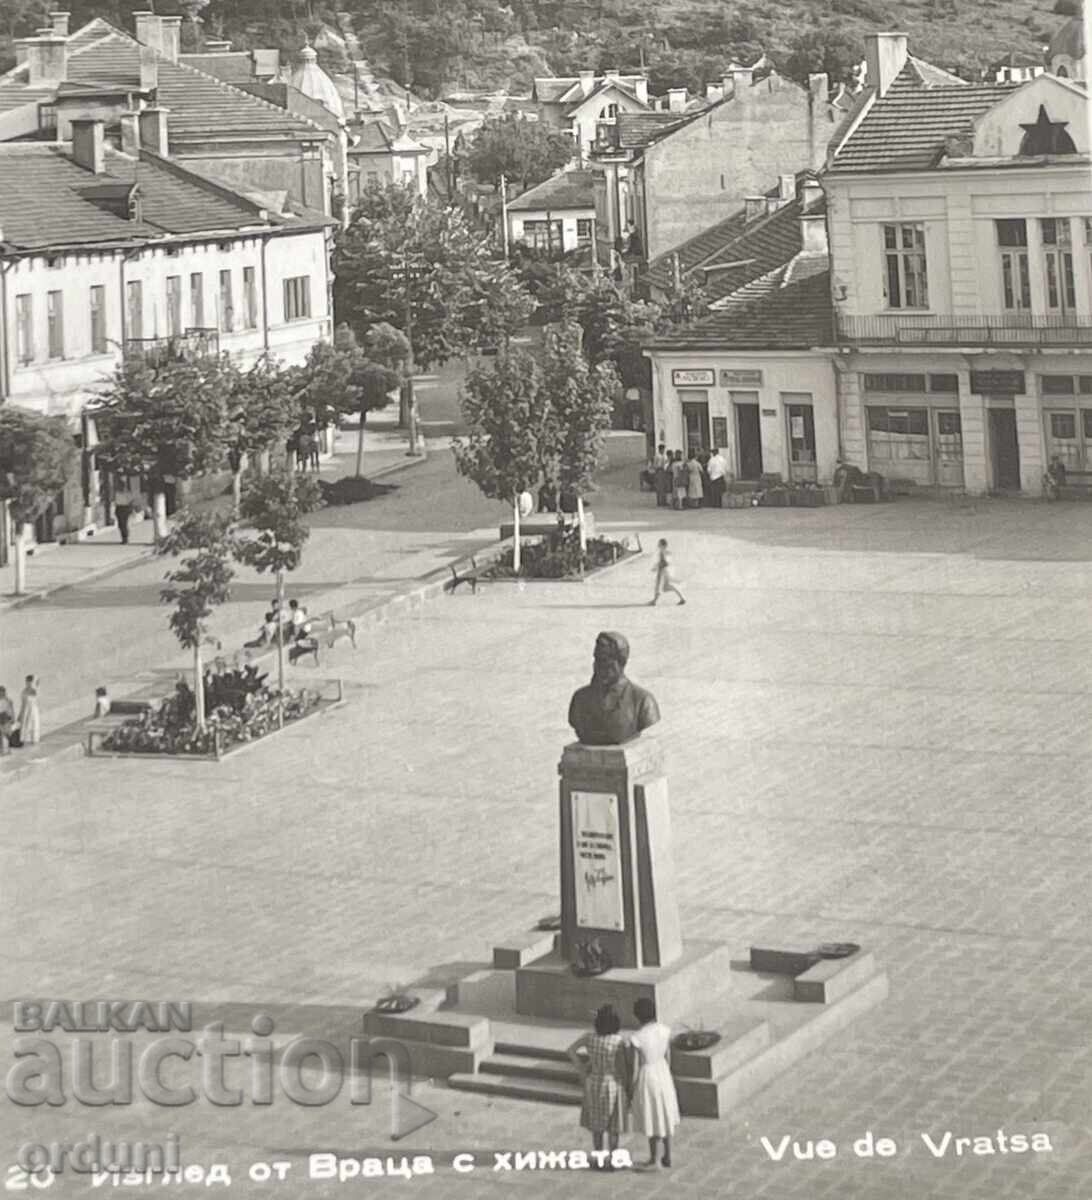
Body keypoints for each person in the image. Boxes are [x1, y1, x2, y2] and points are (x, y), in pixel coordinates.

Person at [568, 631, 661, 746]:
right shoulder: (580, 699)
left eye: (604, 660)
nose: (597, 666)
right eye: (596, 659)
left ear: (621, 662)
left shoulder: (643, 701)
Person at [566, 1005, 630, 1167]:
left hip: (594, 1082)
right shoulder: (618, 1041)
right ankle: (613, 1159)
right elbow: (622, 1066)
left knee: (597, 1125)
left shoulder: (589, 1038)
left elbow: (571, 1050)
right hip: (613, 1083)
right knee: (613, 1125)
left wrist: (582, 1068)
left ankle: (599, 1158)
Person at [629, 998, 680, 1169]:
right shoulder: (664, 1030)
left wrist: (631, 1087)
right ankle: (668, 1154)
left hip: (647, 1074)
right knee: (664, 1113)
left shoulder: (637, 1037)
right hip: (662, 1071)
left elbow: (636, 1066)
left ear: (638, 1016)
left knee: (651, 1114)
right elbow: (668, 1057)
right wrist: (666, 1073)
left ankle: (654, 1157)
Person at [650, 538, 685, 606]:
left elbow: (665, 562)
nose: (658, 546)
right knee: (666, 587)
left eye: (659, 544)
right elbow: (664, 562)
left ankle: (654, 601)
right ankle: (682, 598)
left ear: (664, 545)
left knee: (659, 586)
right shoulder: (664, 552)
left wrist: (657, 567)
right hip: (665, 571)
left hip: (663, 571)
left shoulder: (663, 553)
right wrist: (656, 566)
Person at [19, 675, 41, 745]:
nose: (28, 683)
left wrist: (37, 684)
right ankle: (25, 740)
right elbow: (22, 704)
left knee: (34, 725)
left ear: (32, 682)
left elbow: (37, 693)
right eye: (27, 682)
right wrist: (20, 715)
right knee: (25, 725)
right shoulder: (24, 691)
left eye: (30, 682)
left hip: (33, 711)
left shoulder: (34, 690)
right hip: (26, 711)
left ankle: (34, 740)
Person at [0, 686, 14, 755]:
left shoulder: (8, 700)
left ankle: (8, 749)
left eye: (2, 691)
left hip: (6, 718)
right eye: (0, 692)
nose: (1, 693)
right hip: (1, 717)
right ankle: (2, 750)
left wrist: (13, 718)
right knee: (1, 734)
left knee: (7, 734)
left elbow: (11, 709)